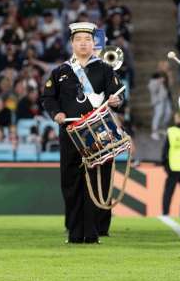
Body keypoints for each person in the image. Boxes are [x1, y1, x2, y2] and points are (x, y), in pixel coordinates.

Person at [40, 22, 125, 244]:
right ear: (72, 43)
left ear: (93, 42)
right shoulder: (60, 71)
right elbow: (48, 98)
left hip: (99, 135)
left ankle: (93, 232)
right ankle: (75, 232)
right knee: (71, 182)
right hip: (70, 133)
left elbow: (118, 97)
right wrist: (56, 113)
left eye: (87, 40)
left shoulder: (106, 69)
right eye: (79, 40)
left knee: (98, 181)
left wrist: (116, 101)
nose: (83, 44)